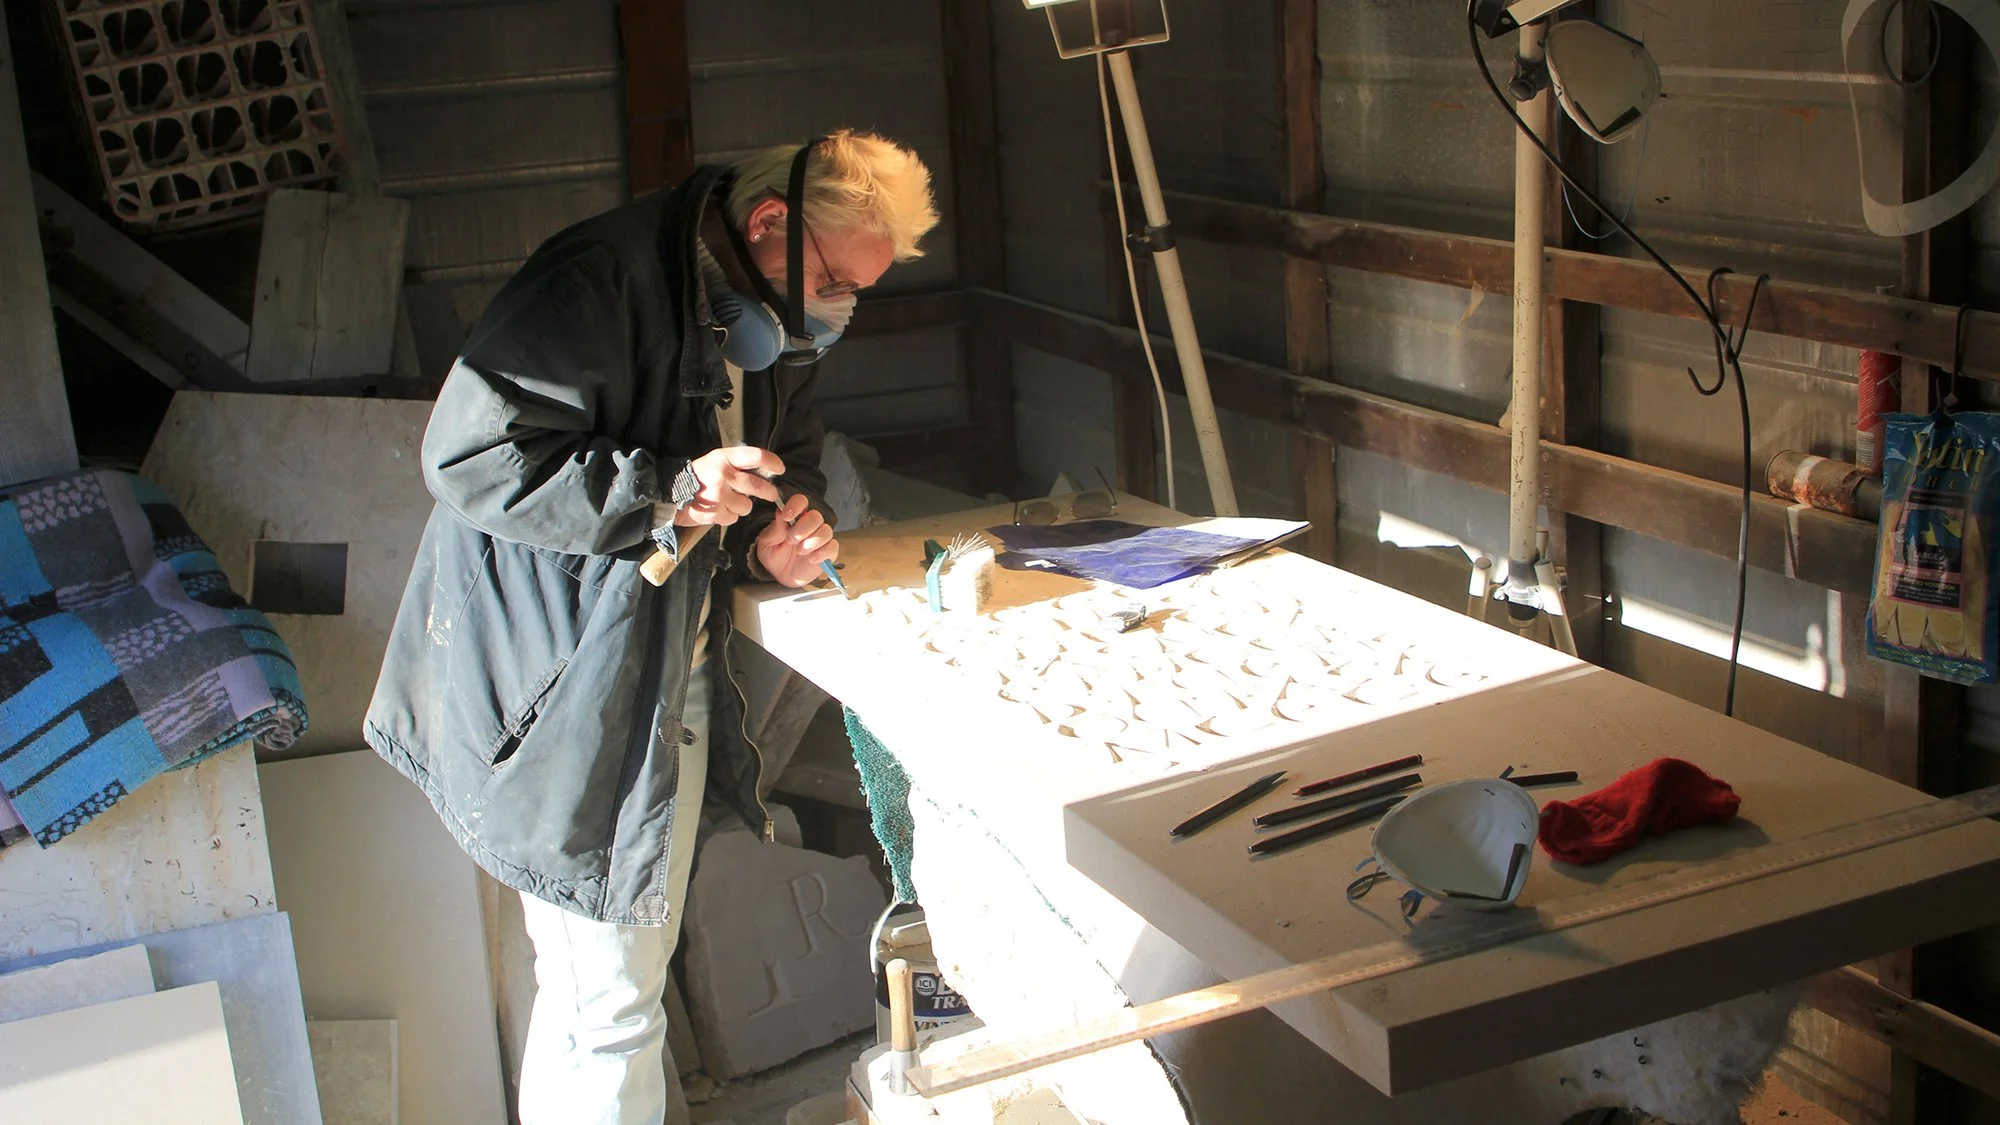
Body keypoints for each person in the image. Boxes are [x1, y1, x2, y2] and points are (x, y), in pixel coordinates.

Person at [364, 130, 940, 1125]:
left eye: (857, 289)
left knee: (599, 992)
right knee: (614, 1010)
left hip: (652, 658)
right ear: (766, 224)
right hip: (558, 683)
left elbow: (782, 461)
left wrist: (777, 536)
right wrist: (668, 491)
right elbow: (471, 456)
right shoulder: (599, 277)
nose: (838, 307)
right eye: (831, 277)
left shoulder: (772, 315)